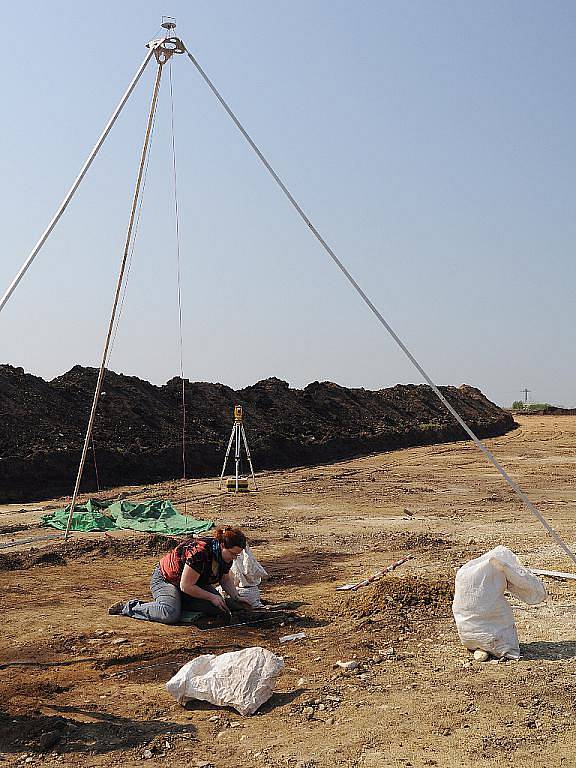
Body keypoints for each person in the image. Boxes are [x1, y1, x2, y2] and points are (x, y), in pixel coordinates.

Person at [108, 526, 252, 624]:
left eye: (237, 555)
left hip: (192, 584)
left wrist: (236, 597)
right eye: (233, 554)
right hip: (167, 580)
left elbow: (225, 578)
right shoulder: (199, 553)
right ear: (222, 545)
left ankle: (179, 602)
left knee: (218, 607)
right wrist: (211, 596)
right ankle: (129, 607)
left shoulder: (224, 557)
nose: (234, 558)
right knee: (170, 613)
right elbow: (186, 585)